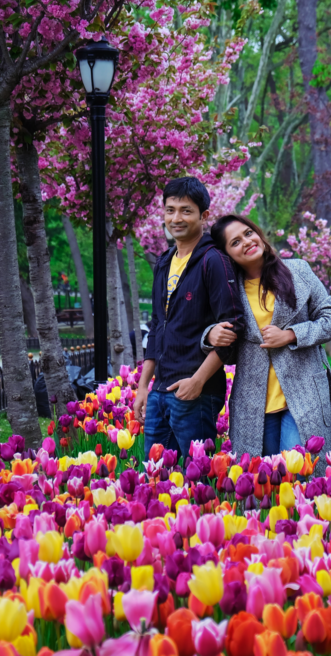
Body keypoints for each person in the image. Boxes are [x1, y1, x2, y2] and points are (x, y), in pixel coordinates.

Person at [203, 215, 331, 467]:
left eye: (248, 233)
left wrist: (291, 335)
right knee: (261, 482)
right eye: (235, 242)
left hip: (304, 394)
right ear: (227, 255)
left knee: (299, 473)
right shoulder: (228, 290)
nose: (246, 242)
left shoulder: (298, 271)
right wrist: (210, 335)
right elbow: (221, 339)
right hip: (254, 402)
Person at [133, 177, 246, 459]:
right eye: (170, 210)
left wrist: (197, 381)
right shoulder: (163, 262)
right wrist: (144, 387)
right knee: (156, 480)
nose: (176, 218)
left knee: (197, 483)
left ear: (204, 216)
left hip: (196, 392)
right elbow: (157, 326)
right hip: (160, 391)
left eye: (186, 210)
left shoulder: (213, 260)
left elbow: (233, 328)